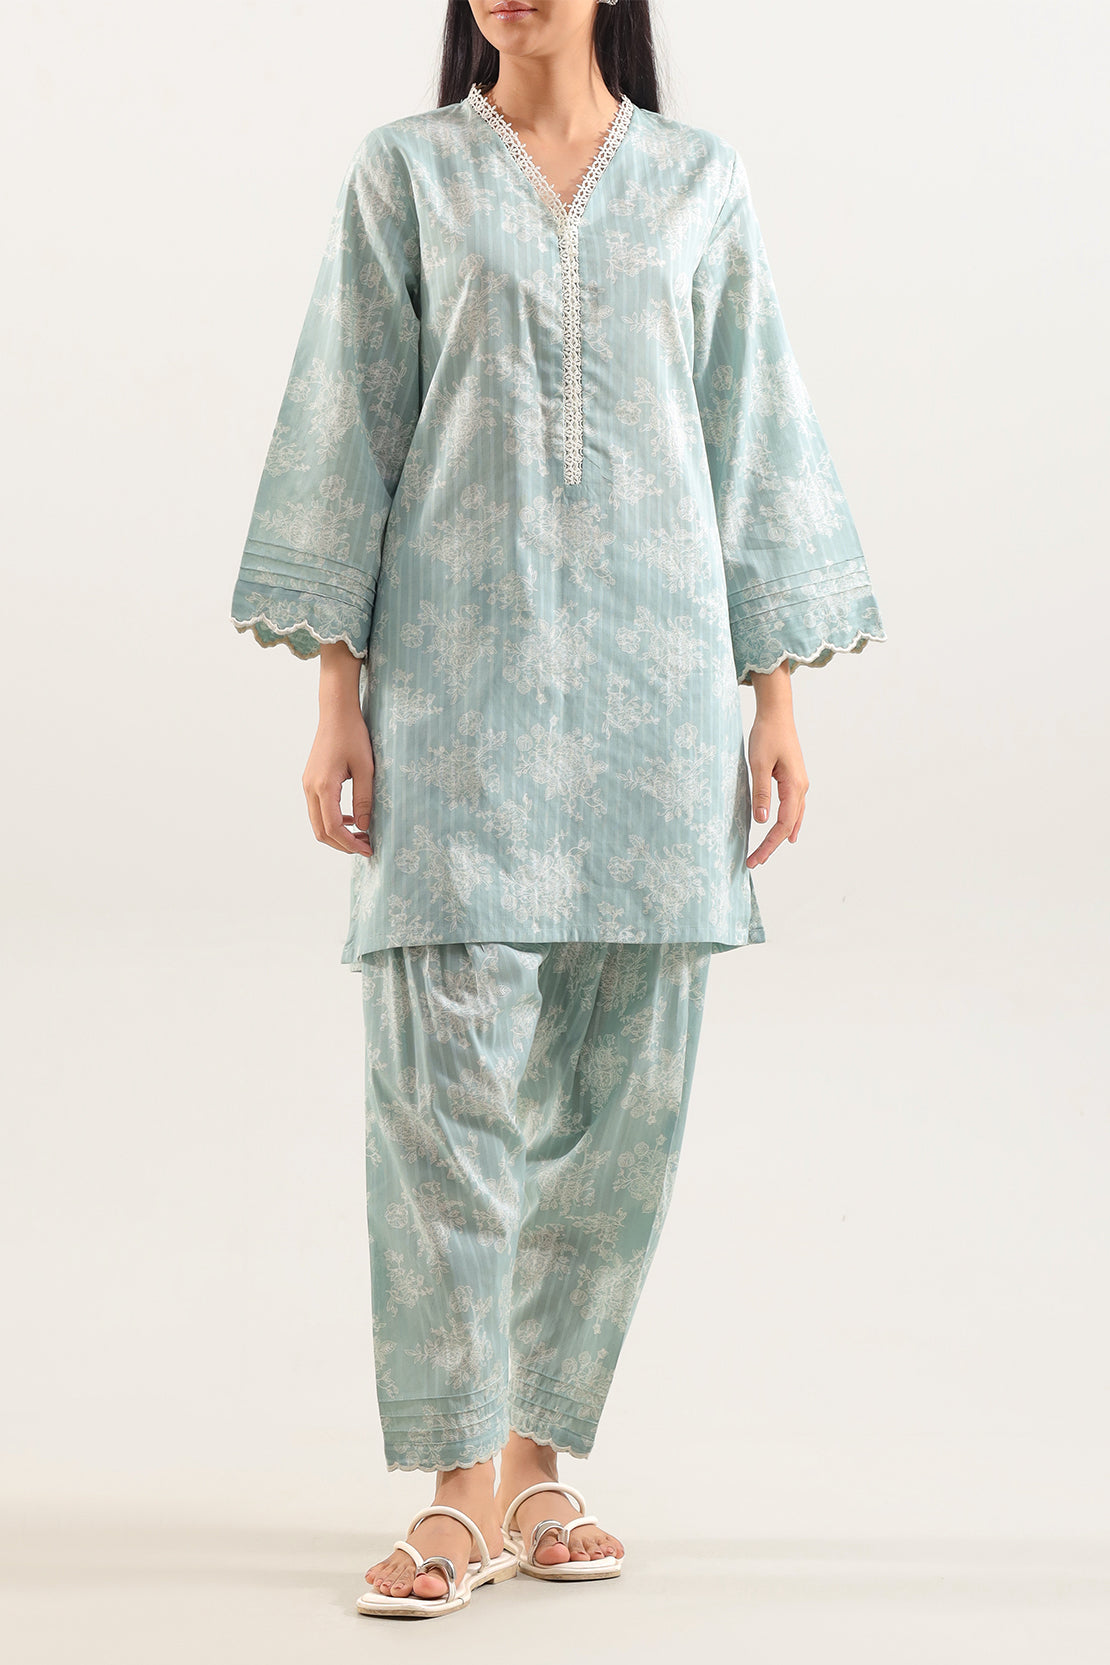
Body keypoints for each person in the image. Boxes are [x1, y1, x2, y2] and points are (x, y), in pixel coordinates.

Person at [229, 0, 886, 1620]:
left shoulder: (697, 181)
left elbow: (752, 430)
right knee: (442, 1095)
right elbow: (346, 423)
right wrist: (335, 695)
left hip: (659, 703)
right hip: (455, 693)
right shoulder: (406, 175)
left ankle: (536, 1459)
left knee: (618, 1102)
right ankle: (452, 1486)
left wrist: (775, 697)